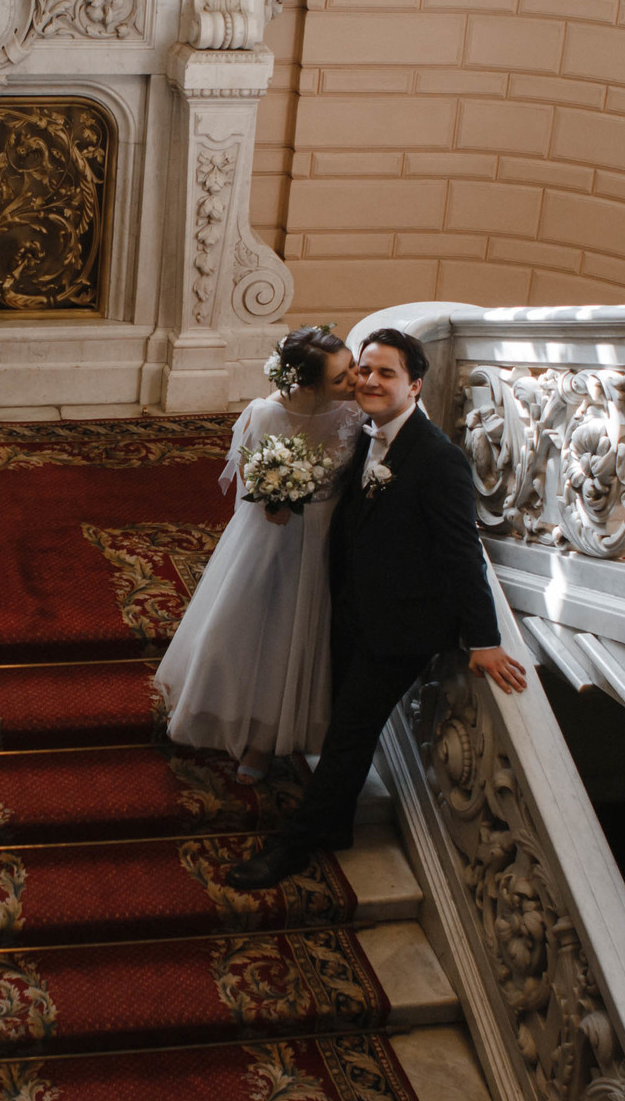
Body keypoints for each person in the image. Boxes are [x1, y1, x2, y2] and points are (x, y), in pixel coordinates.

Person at [226, 325, 529, 890]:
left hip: (402, 627)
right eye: (364, 369)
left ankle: (290, 849)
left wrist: (484, 640)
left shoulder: (439, 460)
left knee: (349, 734)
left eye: (386, 373)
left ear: (414, 386)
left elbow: (464, 553)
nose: (368, 380)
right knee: (346, 720)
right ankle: (337, 825)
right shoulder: (365, 433)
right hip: (352, 608)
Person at [154, 326, 362, 782]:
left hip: (328, 536)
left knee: (300, 635)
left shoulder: (357, 409)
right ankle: (218, 707)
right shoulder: (267, 413)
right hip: (271, 537)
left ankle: (267, 739)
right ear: (308, 385)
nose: (355, 379)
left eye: (352, 367)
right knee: (249, 626)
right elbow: (249, 474)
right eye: (341, 377)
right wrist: (273, 497)